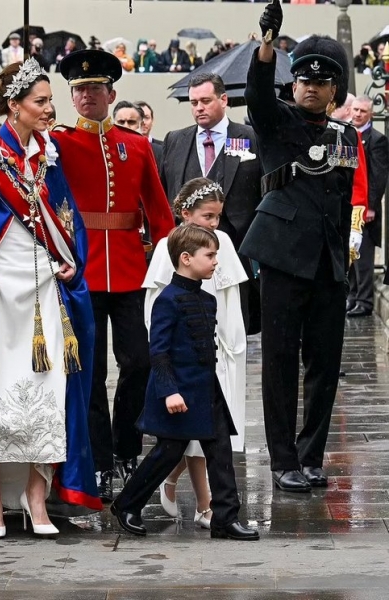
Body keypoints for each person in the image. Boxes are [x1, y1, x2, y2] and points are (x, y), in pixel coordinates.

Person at [0, 58, 102, 539]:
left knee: (48, 392)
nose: (51, 109)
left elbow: (66, 215)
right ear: (14, 105)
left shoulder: (50, 153)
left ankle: (37, 496)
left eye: (51, 100)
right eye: (41, 101)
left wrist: (72, 260)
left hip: (45, 283)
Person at [240, 1, 368, 492]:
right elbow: (257, 94)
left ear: (335, 90)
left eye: (321, 81)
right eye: (302, 80)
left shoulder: (345, 134)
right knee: (279, 362)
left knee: (325, 364)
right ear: (293, 85)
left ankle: (312, 456)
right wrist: (267, 45)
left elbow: (344, 199)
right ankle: (283, 460)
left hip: (328, 261)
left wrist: (346, 256)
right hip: (283, 256)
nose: (310, 87)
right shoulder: (277, 120)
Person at [52, 50, 174, 502]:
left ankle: (126, 448)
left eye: (95, 88)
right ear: (72, 97)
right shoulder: (58, 143)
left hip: (128, 269)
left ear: (111, 93)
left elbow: (157, 208)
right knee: (89, 372)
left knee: (139, 362)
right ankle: (100, 461)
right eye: (79, 89)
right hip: (80, 270)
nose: (87, 95)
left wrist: (170, 259)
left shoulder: (136, 145)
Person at [110, 224, 258, 541]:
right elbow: (159, 351)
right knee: (167, 452)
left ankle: (225, 518)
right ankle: (127, 504)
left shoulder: (207, 299)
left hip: (207, 390)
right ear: (186, 258)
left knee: (221, 453)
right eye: (210, 255)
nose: (216, 261)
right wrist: (169, 392)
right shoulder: (167, 299)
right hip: (178, 392)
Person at [144, 179, 248, 528]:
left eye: (218, 217)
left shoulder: (224, 243)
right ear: (186, 213)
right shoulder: (168, 246)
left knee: (214, 436)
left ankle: (179, 484)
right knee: (191, 434)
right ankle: (206, 505)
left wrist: (234, 344)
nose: (214, 224)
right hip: (186, 356)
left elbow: (231, 296)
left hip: (221, 350)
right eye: (207, 217)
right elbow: (156, 306)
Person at [160, 72, 262, 335]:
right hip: (186, 255)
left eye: (205, 101)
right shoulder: (175, 140)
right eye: (194, 103)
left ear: (223, 99)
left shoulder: (252, 137)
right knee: (188, 329)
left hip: (238, 250)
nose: (199, 108)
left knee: (234, 326)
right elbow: (165, 191)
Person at [347, 96, 389, 318]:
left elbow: (378, 177)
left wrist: (370, 207)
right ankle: (353, 296)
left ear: (371, 114)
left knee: (363, 257)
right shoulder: (348, 134)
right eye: (355, 109)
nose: (357, 114)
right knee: (351, 256)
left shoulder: (377, 139)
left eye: (362, 111)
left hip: (366, 209)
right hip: (350, 206)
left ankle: (364, 301)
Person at [135, 100, 163, 168]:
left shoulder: (163, 147)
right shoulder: (125, 147)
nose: (143, 122)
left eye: (146, 117)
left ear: (152, 120)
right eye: (139, 118)